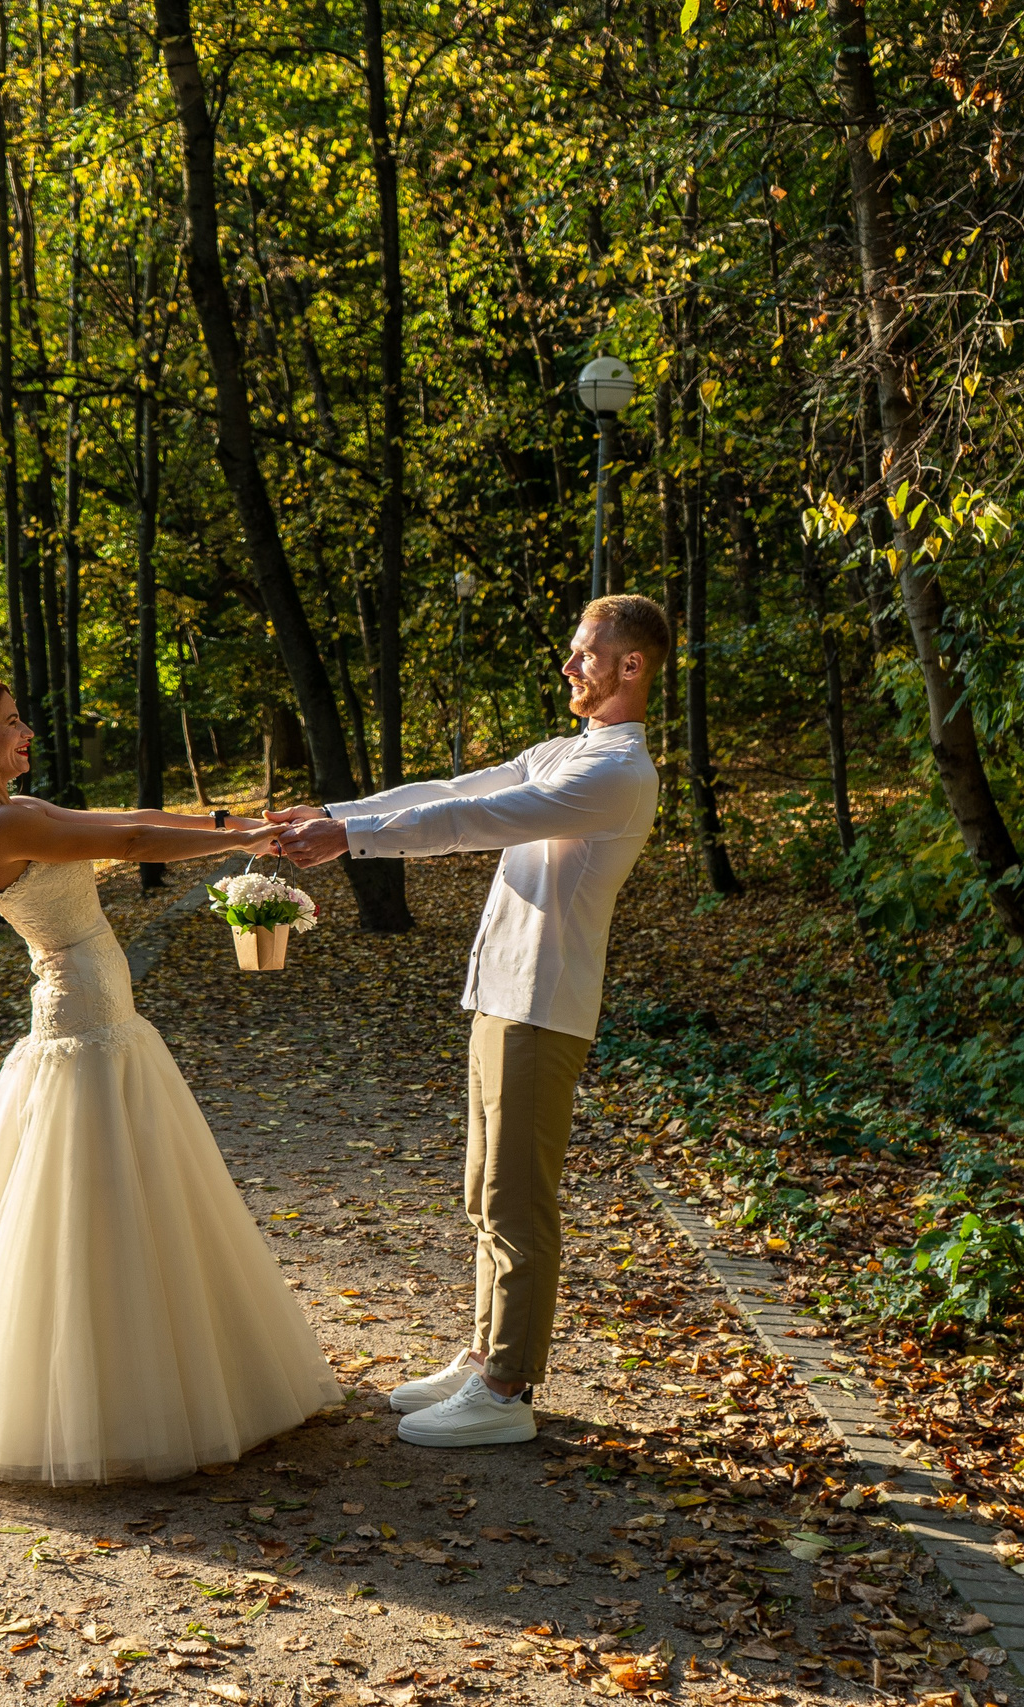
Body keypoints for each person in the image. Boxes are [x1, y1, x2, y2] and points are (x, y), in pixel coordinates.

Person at [0, 677, 341, 1483]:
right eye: (13, 722)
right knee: (96, 1204)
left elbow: (135, 820)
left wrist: (240, 826)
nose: (27, 731)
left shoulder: (23, 807)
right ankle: (108, 1400)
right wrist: (240, 838)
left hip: (105, 1016)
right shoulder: (2, 823)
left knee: (129, 1199)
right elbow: (126, 839)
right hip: (83, 1023)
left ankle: (144, 1375)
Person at [273, 594, 669, 1448]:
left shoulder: (616, 774)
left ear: (630, 667)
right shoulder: (567, 750)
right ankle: (487, 1350)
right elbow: (453, 788)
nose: (568, 666)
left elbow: (473, 821)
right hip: (501, 996)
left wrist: (348, 838)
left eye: (585, 654)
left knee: (517, 1200)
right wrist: (337, 814)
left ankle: (506, 1387)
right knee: (481, 1191)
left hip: (545, 1005)